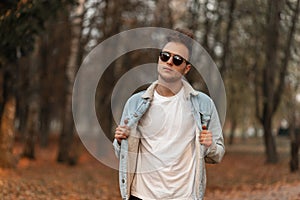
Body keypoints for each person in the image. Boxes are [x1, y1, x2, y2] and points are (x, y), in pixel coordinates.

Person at [113, 28, 225, 200]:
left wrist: (209, 145)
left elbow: (218, 153)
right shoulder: (135, 103)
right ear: (159, 59)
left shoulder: (204, 105)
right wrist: (120, 140)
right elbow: (122, 153)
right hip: (142, 195)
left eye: (177, 59)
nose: (169, 62)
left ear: (186, 68)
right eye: (165, 56)